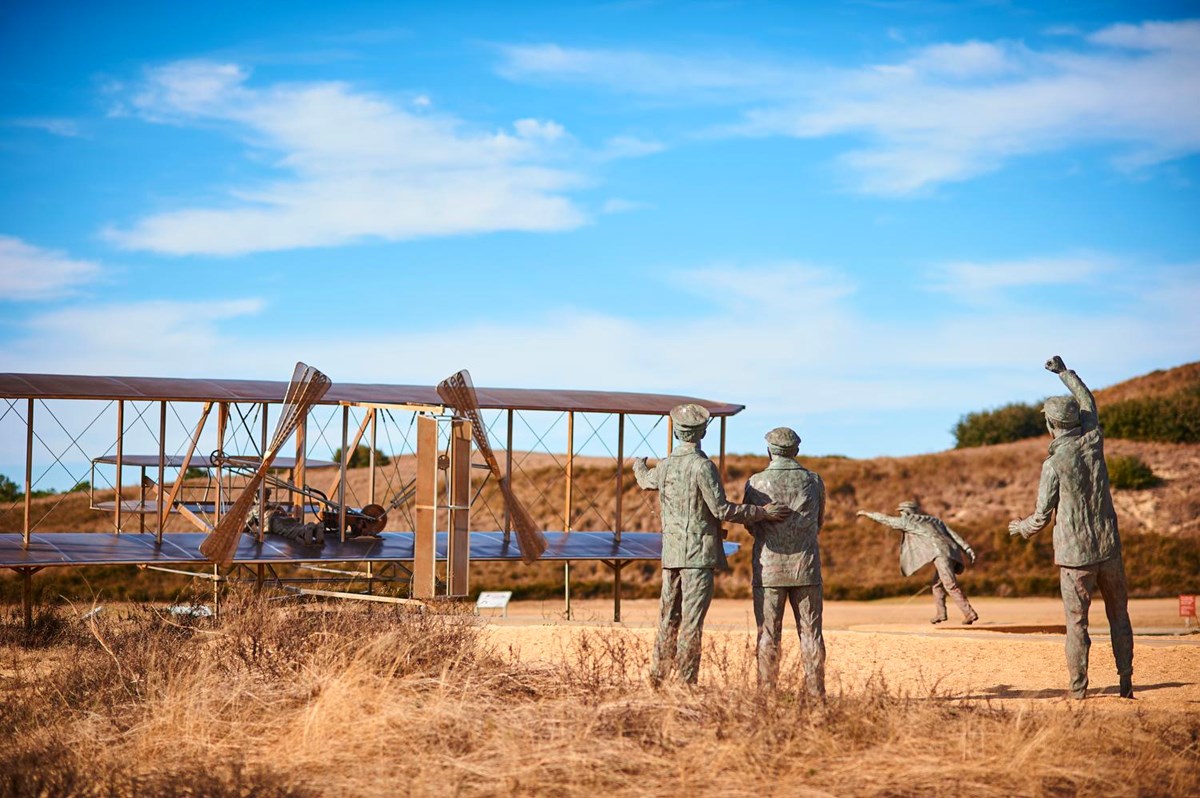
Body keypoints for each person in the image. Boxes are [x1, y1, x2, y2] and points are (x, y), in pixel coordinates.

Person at [634, 403, 791, 686]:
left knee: (668, 617)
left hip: (671, 553)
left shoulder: (666, 466)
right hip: (698, 556)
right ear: (703, 431)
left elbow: (645, 481)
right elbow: (721, 510)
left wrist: (638, 465)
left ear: (678, 431)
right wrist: (761, 512)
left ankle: (657, 679)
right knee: (691, 622)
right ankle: (685, 683)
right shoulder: (703, 467)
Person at [1009, 356, 1133, 699]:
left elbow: (1039, 517)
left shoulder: (1053, 465)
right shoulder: (1094, 442)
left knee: (1077, 625)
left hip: (1075, 557)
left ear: (1051, 425)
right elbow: (1088, 402)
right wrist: (1065, 373)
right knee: (1119, 616)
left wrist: (1019, 528)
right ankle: (1126, 682)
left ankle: (1079, 691)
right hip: (1108, 549)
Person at [744, 427, 826, 697]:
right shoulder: (814, 480)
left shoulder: (756, 482)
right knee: (811, 632)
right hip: (807, 566)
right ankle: (817, 695)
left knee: (768, 634)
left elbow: (750, 524)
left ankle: (767, 696)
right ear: (797, 451)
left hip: (769, 569)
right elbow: (818, 523)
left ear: (769, 450)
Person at [857, 501, 978, 625]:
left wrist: (867, 513)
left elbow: (885, 519)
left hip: (940, 554)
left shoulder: (907, 521)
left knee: (950, 585)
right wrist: (967, 549)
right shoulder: (935, 521)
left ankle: (969, 613)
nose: (901, 514)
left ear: (907, 512)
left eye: (902, 512)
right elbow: (955, 536)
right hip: (952, 552)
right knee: (937, 585)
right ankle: (941, 614)